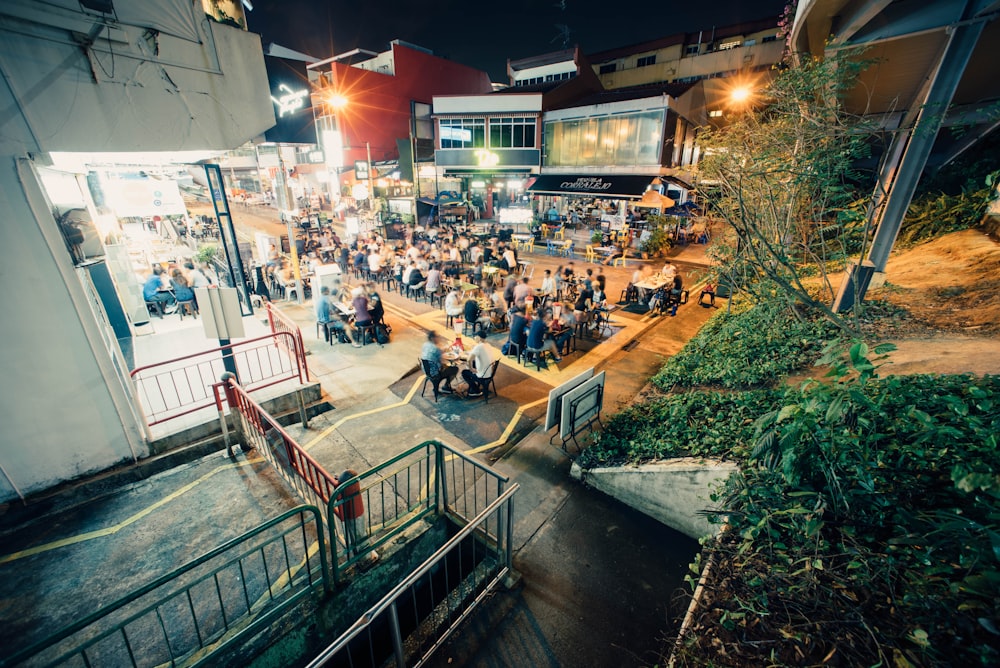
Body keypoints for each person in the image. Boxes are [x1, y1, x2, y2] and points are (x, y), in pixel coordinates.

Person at [332, 469, 379, 565]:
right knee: (356, 524)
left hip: (352, 511)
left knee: (356, 524)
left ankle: (362, 552)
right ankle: (364, 555)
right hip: (352, 510)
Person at [421, 330, 458, 396]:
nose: (438, 338)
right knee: (454, 369)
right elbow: (443, 362)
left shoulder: (425, 344)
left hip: (426, 370)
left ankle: (442, 386)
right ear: (433, 338)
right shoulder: (436, 348)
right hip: (435, 373)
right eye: (437, 337)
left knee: (447, 368)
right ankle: (446, 386)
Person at [461, 332, 495, 397]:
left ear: (479, 337)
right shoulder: (488, 345)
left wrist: (471, 369)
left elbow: (468, 359)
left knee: (464, 373)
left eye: (475, 336)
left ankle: (475, 390)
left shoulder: (479, 347)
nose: (474, 338)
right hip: (489, 373)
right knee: (473, 364)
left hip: (483, 376)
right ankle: (473, 387)